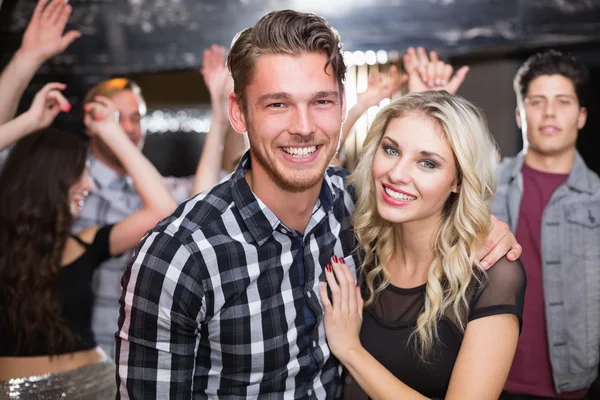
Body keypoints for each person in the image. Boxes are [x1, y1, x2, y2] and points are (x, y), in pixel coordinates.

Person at [115, 10, 522, 398]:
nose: (304, 127)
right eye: (278, 104)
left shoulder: (355, 205)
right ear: (238, 113)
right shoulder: (178, 256)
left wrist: (482, 224)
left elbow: (428, 203)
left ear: (343, 107)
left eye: (321, 102)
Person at [319, 90, 525, 399]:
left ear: (458, 181)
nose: (397, 174)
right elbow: (318, 174)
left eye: (427, 163)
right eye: (390, 150)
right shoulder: (358, 239)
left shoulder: (493, 273)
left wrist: (350, 350)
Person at [0, 83, 176, 398]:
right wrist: (30, 122)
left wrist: (112, 133)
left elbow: (163, 210)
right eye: (81, 171)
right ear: (53, 177)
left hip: (94, 387)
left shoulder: (86, 244)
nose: (90, 185)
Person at [71, 44, 247, 357]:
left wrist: (221, 108)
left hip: (145, 352)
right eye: (116, 118)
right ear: (92, 120)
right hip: (91, 353)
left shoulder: (157, 187)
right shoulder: (70, 186)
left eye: (136, 118)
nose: (128, 128)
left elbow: (204, 199)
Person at [491, 50, 600, 400]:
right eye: (537, 101)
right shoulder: (484, 184)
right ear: (520, 114)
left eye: (563, 101)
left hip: (571, 386)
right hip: (484, 380)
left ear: (581, 116)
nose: (550, 112)